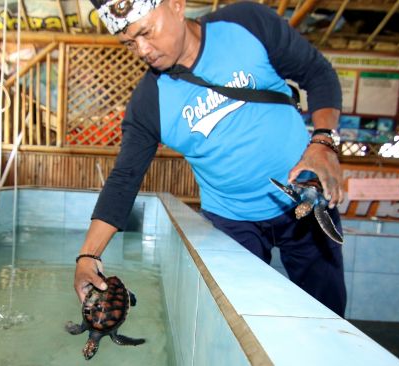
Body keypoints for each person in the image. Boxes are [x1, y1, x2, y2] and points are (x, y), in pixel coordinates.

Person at [73, 0, 346, 317]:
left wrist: (324, 142)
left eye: (146, 32)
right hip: (232, 223)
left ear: (176, 5)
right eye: (130, 43)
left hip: (306, 202)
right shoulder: (149, 103)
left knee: (326, 314)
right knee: (239, 323)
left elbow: (318, 73)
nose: (143, 50)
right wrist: (86, 257)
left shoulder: (246, 24)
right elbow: (123, 180)